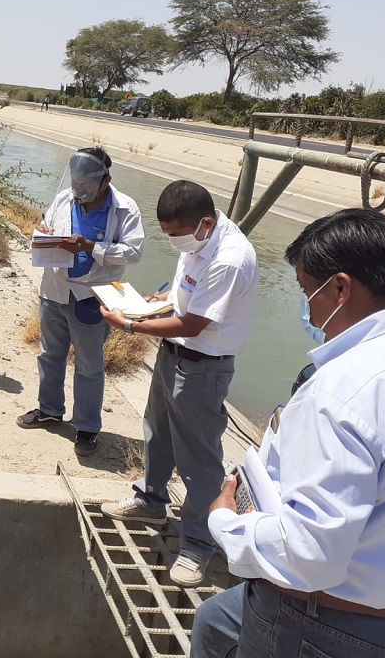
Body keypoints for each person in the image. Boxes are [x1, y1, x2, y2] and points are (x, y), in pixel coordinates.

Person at [190, 208, 385, 658]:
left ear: (341, 288)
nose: (307, 307)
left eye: (308, 292)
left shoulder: (341, 390)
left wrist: (226, 521)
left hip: (319, 619)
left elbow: (308, 554)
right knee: (214, 622)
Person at [100, 180, 258, 587]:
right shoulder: (198, 242)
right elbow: (183, 294)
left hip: (203, 367)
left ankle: (198, 545)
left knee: (199, 460)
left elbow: (194, 323)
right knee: (158, 433)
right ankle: (149, 500)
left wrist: (132, 324)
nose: (173, 243)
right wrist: (156, 302)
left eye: (176, 236)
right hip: (173, 354)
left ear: (205, 223)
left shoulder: (229, 258)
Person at [15, 147, 144, 455]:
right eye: (76, 181)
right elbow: (46, 224)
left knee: (89, 365)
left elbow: (134, 252)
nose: (79, 188)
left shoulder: (125, 208)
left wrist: (92, 247)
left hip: (91, 297)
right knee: (49, 354)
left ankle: (86, 428)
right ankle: (49, 410)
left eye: (86, 184)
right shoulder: (64, 197)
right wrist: (43, 231)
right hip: (54, 291)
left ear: (105, 181)